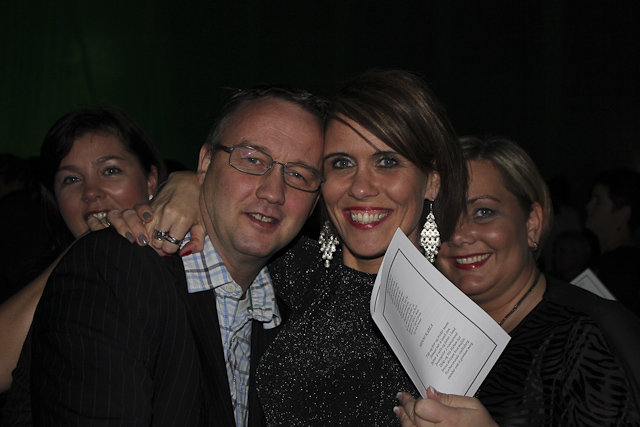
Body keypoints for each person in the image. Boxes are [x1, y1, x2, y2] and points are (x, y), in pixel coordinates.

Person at [11, 86, 325, 426]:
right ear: (205, 163)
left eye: (299, 175)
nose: (273, 192)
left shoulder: (293, 298)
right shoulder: (116, 270)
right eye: (252, 160)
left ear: (315, 203)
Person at [253, 70, 468, 426]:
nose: (361, 187)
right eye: (342, 163)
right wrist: (187, 189)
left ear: (432, 180)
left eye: (387, 162)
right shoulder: (284, 266)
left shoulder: (456, 326)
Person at [397, 136, 640, 426]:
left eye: (483, 212)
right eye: (444, 216)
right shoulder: (424, 333)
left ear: (531, 223)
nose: (459, 235)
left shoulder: (584, 339)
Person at [0, 106, 166, 424]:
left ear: (151, 180)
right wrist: (85, 250)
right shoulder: (47, 284)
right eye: (71, 179)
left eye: (110, 170)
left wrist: (189, 187)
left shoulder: (192, 267)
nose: (91, 192)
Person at [585, 168, 640, 316]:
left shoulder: (623, 265)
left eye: (598, 201)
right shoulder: (610, 258)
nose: (588, 207)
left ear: (623, 214)